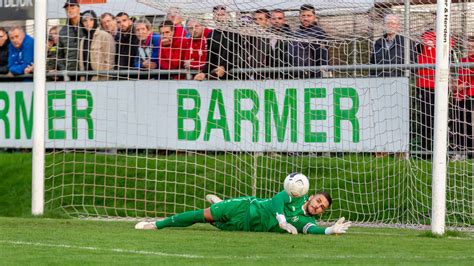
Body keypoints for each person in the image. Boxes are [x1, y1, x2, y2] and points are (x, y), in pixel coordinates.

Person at [136, 189, 351, 235]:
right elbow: (278, 198)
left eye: (322, 207)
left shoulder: (305, 221)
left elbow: (310, 229)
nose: (318, 206)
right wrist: (281, 218)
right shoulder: (297, 192)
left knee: (215, 224)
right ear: (312, 196)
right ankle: (156, 224)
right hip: (246, 206)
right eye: (319, 200)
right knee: (202, 216)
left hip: (247, 226)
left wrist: (329, 231)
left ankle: (219, 203)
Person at [291, 4, 328, 79]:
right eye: (303, 15)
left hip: (314, 77)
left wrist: (323, 73)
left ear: (314, 17)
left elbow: (323, 56)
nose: (306, 18)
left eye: (309, 15)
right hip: (297, 75)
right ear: (299, 17)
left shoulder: (319, 33)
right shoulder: (296, 34)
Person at [451, 36, 474, 159]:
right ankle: (460, 151)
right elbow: (459, 80)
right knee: (460, 123)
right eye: (468, 47)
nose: (470, 49)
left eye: (472, 47)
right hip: (462, 96)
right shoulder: (463, 60)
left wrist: (465, 85)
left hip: (471, 95)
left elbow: (468, 81)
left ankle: (468, 152)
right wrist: (456, 86)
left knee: (469, 124)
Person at [78, 10, 116, 81]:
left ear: (95, 21)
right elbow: (82, 64)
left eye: (91, 20)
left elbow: (110, 63)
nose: (88, 23)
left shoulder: (105, 36)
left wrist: (103, 80)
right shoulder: (83, 40)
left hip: (100, 80)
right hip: (85, 80)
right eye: (85, 21)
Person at [56, 0, 84, 80]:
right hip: (71, 75)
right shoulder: (63, 31)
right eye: (67, 9)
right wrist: (64, 71)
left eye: (72, 7)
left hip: (87, 73)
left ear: (78, 9)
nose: (70, 10)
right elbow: (59, 56)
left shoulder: (87, 27)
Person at [268, 9, 291, 79]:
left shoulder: (291, 36)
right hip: (270, 75)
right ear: (270, 20)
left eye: (279, 18)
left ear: (284, 20)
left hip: (287, 75)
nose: (276, 21)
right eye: (274, 19)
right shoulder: (266, 35)